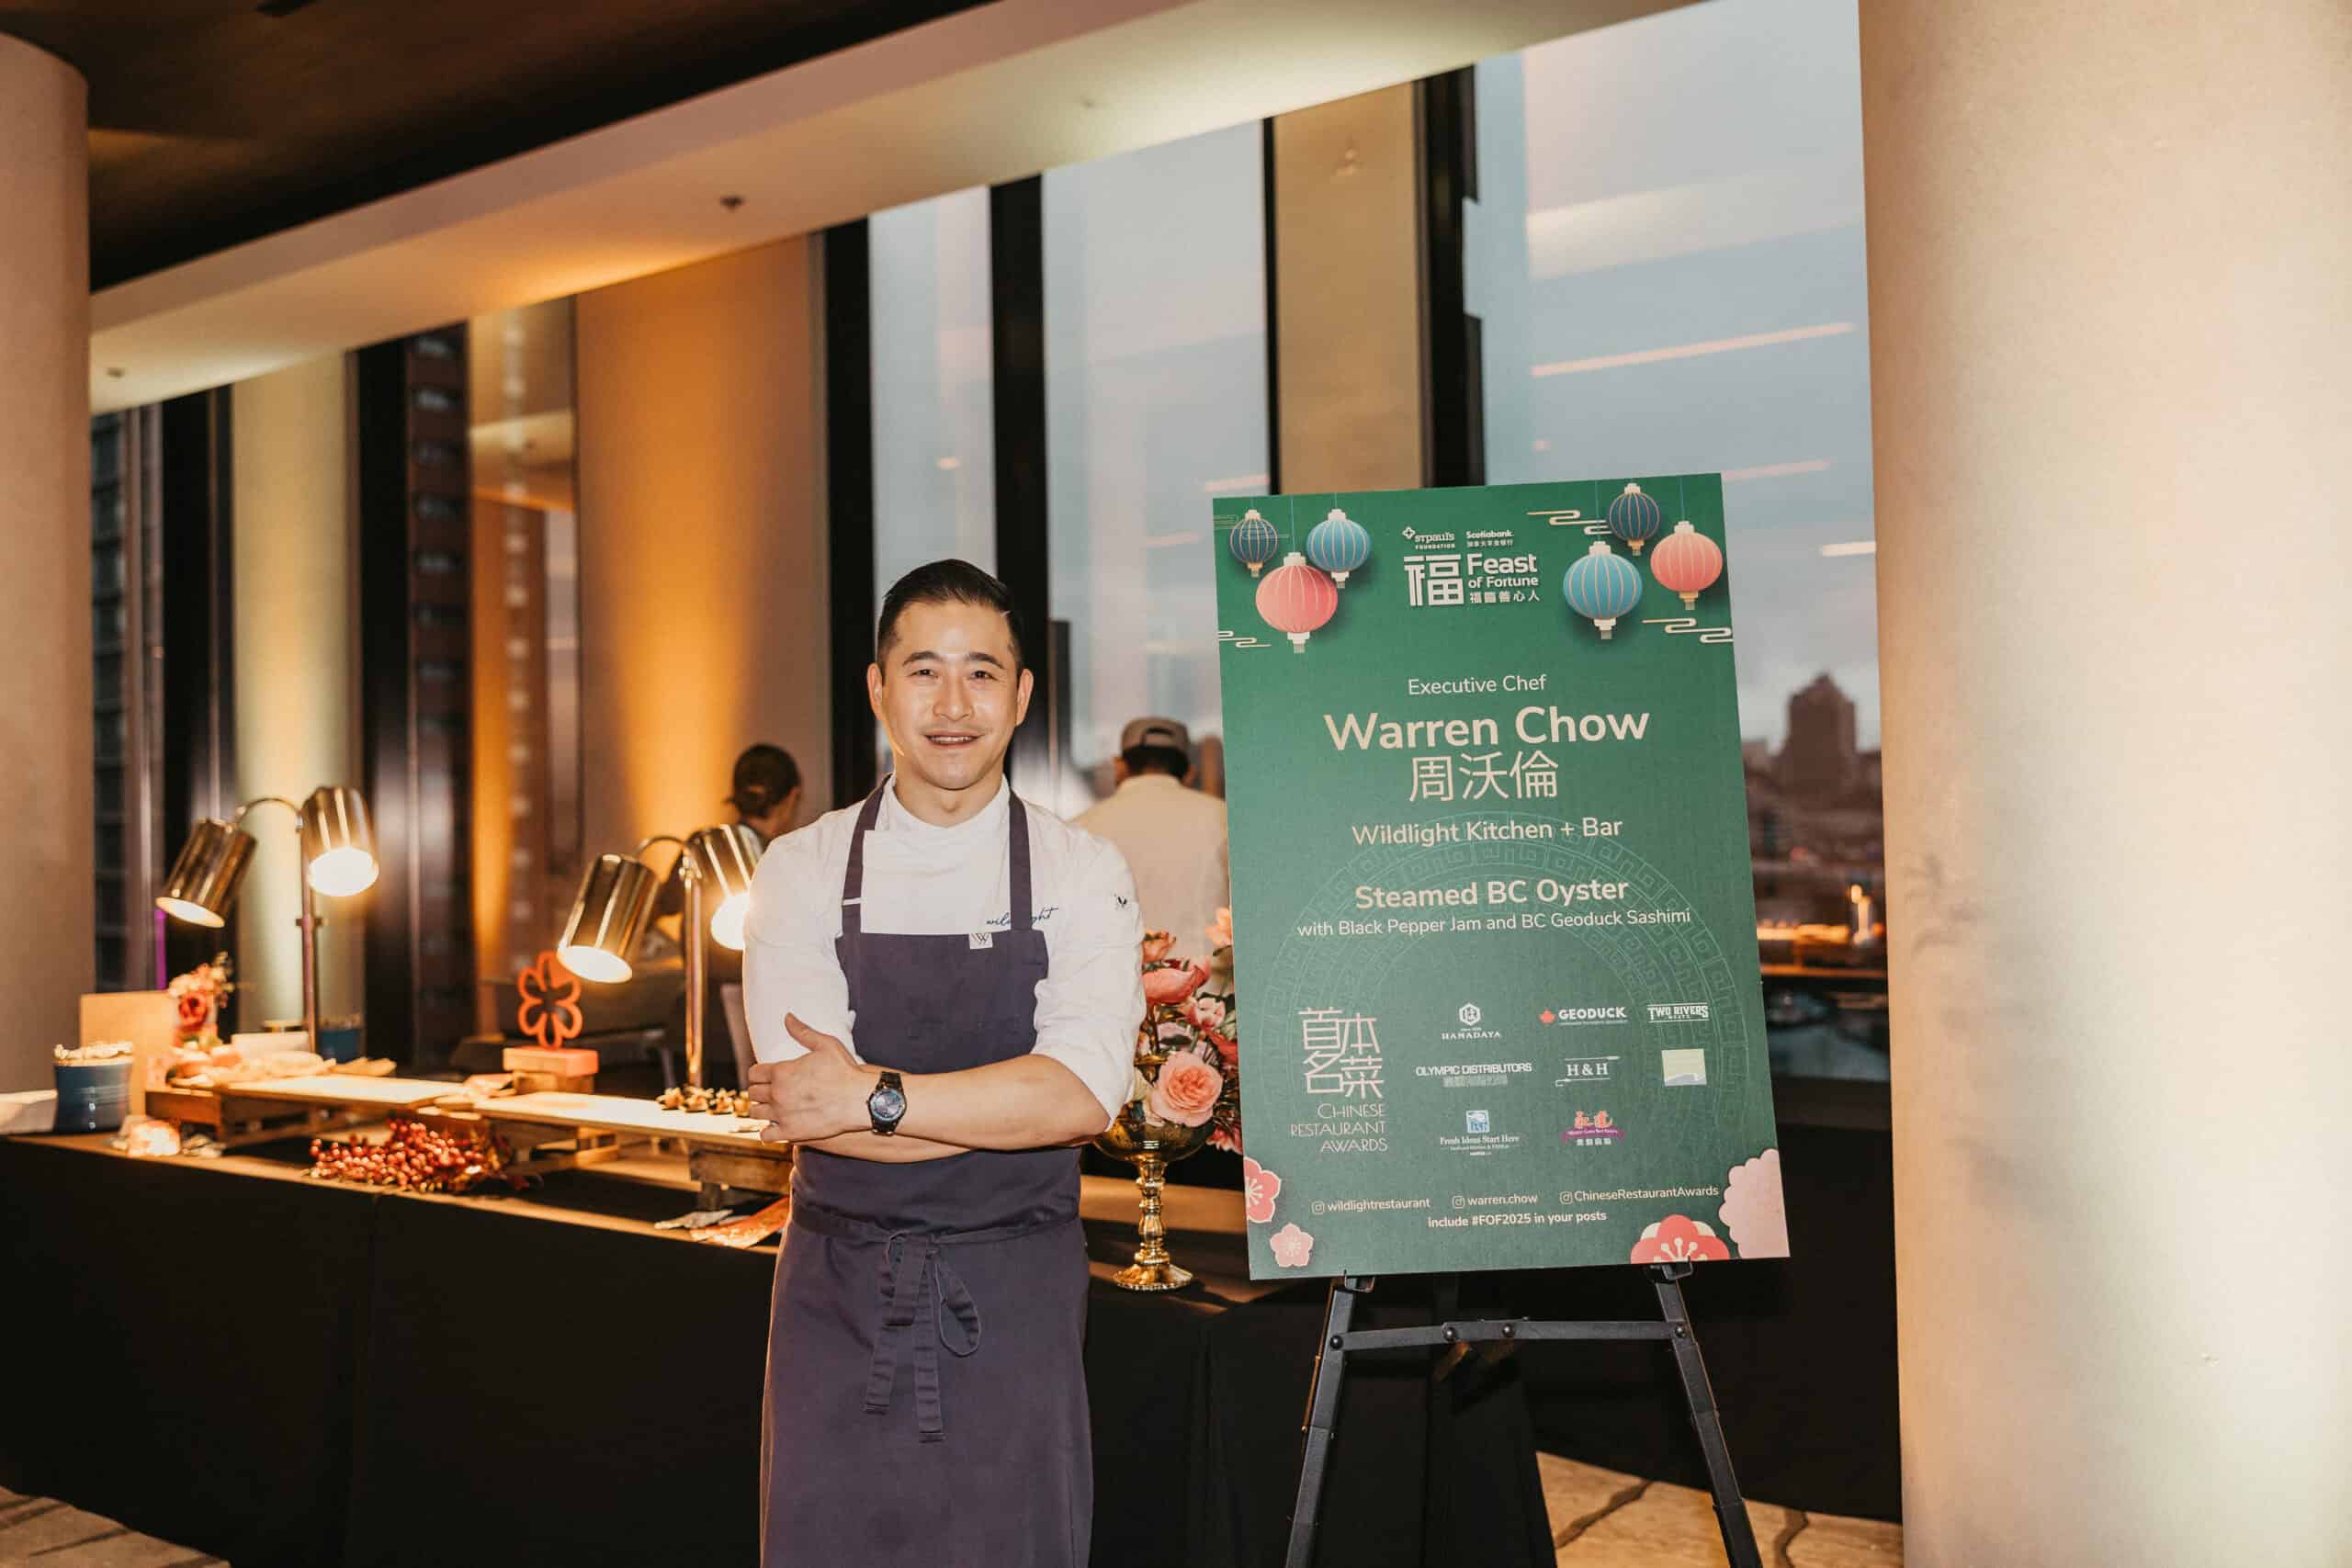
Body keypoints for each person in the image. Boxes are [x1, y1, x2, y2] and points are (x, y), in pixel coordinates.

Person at [741, 559, 1142, 1567]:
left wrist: (870, 1095)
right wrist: (999, 1106)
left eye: (980, 672)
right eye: (923, 671)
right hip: (837, 1292)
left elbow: (1082, 1099)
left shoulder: (1082, 869)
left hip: (1016, 1295)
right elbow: (806, 1108)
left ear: (1021, 695)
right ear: (878, 689)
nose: (952, 704)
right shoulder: (798, 869)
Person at [657, 744, 805, 1085]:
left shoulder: (702, 844)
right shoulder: (783, 856)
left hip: (689, 1024)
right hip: (743, 1025)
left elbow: (664, 905)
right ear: (792, 797)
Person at [1075, 716, 1230, 956]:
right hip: (1209, 989)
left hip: (1114, 991)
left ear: (1119, 765)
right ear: (1189, 773)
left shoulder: (1077, 830)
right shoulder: (1224, 819)